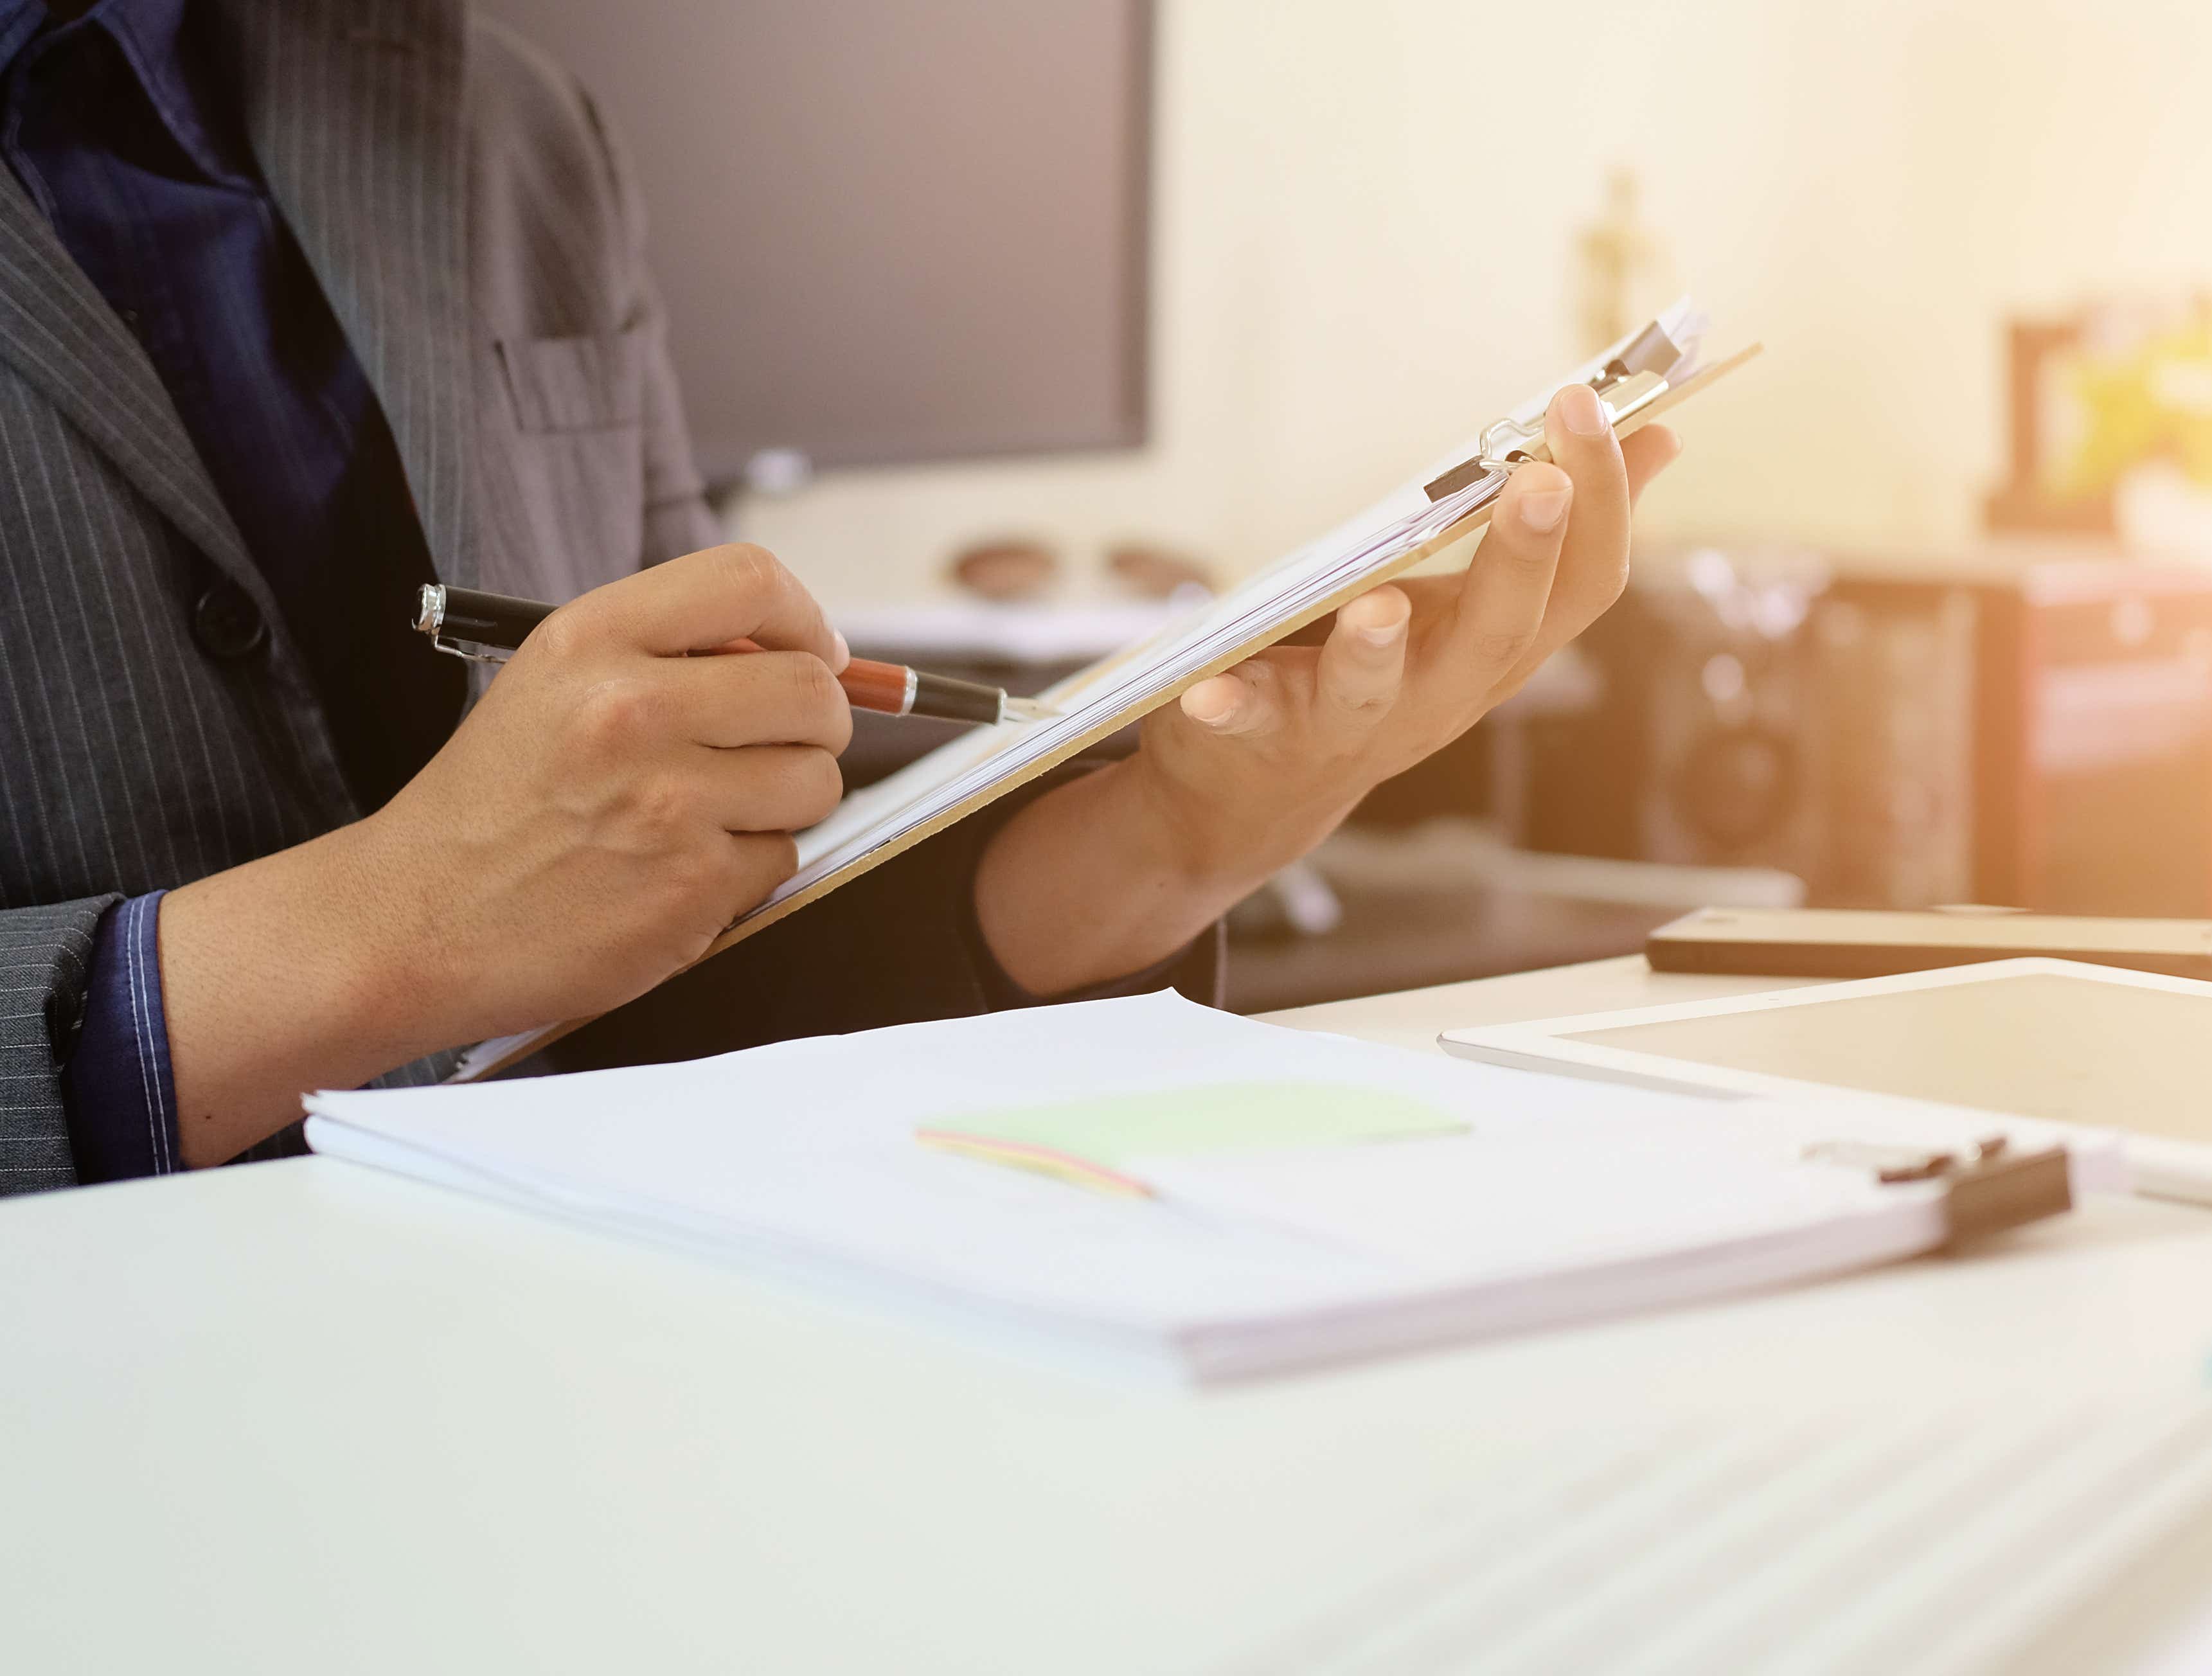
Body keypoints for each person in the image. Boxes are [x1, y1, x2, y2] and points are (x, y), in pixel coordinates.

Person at [0, 0, 1678, 1193]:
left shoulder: (506, 127)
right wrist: (396, 928)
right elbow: (472, 925)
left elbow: (683, 975)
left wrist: (1172, 836)